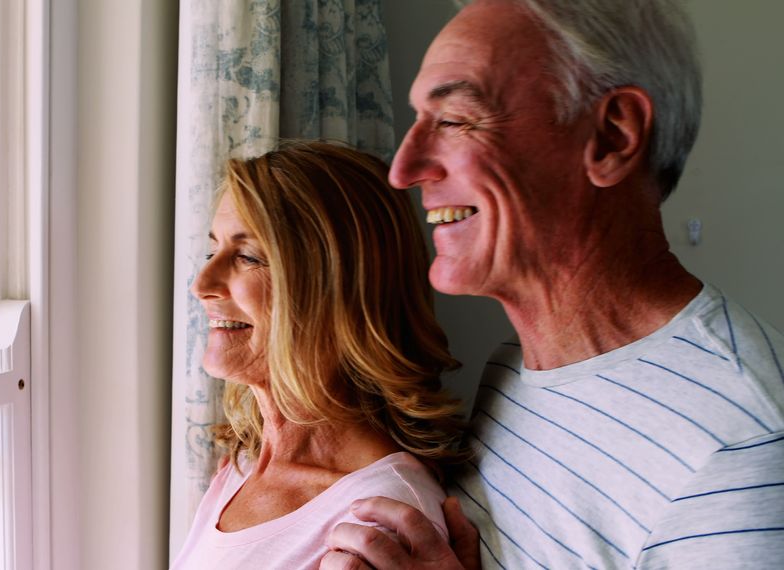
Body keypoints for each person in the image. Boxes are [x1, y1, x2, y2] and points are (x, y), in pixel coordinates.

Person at [321, 0, 784, 568]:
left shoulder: (748, 448)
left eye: (455, 119)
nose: (404, 168)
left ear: (612, 137)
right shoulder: (514, 367)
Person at [170, 141, 469, 569]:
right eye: (211, 250)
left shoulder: (380, 520)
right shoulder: (242, 467)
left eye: (248, 256)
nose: (203, 284)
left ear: (341, 293)